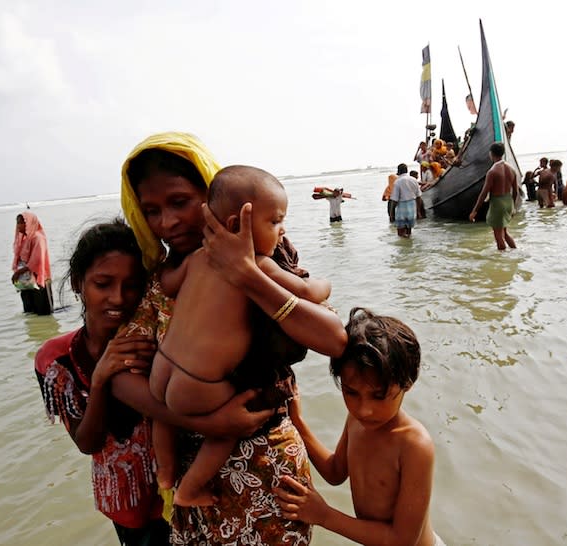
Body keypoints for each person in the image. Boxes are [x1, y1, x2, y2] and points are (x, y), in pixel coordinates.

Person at [118, 132, 348, 545]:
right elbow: (121, 376)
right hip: (199, 482)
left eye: (179, 202)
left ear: (213, 200)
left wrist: (246, 274)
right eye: (151, 211)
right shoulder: (155, 280)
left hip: (268, 471)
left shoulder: (270, 256)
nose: (167, 222)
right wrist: (209, 422)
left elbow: (334, 338)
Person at [149, 165, 334, 507]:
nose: (282, 230)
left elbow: (168, 284)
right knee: (234, 423)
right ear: (237, 226)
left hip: (163, 368)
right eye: (275, 221)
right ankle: (189, 489)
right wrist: (326, 284)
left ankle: (166, 470)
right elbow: (307, 292)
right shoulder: (259, 265)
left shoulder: (197, 258)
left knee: (162, 411)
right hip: (199, 383)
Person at [34, 220, 170, 544]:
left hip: (179, 492)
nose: (118, 298)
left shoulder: (159, 342)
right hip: (124, 503)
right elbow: (87, 443)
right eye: (103, 284)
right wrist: (99, 381)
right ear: (79, 283)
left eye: (132, 285)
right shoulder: (55, 360)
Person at [275, 307, 444, 546]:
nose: (364, 409)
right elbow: (335, 472)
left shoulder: (413, 445)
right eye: (351, 392)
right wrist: (299, 423)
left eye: (379, 396)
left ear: (407, 384)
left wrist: (324, 515)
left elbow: (402, 540)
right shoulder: (356, 420)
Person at [469, 142, 519, 251]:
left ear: (491, 154)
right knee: (504, 233)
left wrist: (474, 211)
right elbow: (516, 191)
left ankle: (502, 262)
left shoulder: (492, 171)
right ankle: (515, 252)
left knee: (498, 236)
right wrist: (513, 206)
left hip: (498, 203)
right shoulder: (511, 169)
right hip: (508, 201)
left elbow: (483, 193)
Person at [11, 211, 53, 315]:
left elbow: (37, 260)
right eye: (17, 223)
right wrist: (18, 273)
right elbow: (21, 259)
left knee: (43, 313)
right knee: (30, 313)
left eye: (21, 222)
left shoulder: (38, 238)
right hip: (27, 282)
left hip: (39, 280)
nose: (18, 226)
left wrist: (18, 273)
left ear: (29, 223)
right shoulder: (24, 239)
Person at [389, 163, 423, 238]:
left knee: (401, 235)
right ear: (407, 170)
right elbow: (419, 197)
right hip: (412, 208)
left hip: (402, 209)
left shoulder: (397, 182)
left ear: (398, 171)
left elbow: (394, 200)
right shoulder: (414, 180)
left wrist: (391, 214)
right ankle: (410, 248)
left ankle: (405, 248)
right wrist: (418, 211)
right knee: (409, 233)